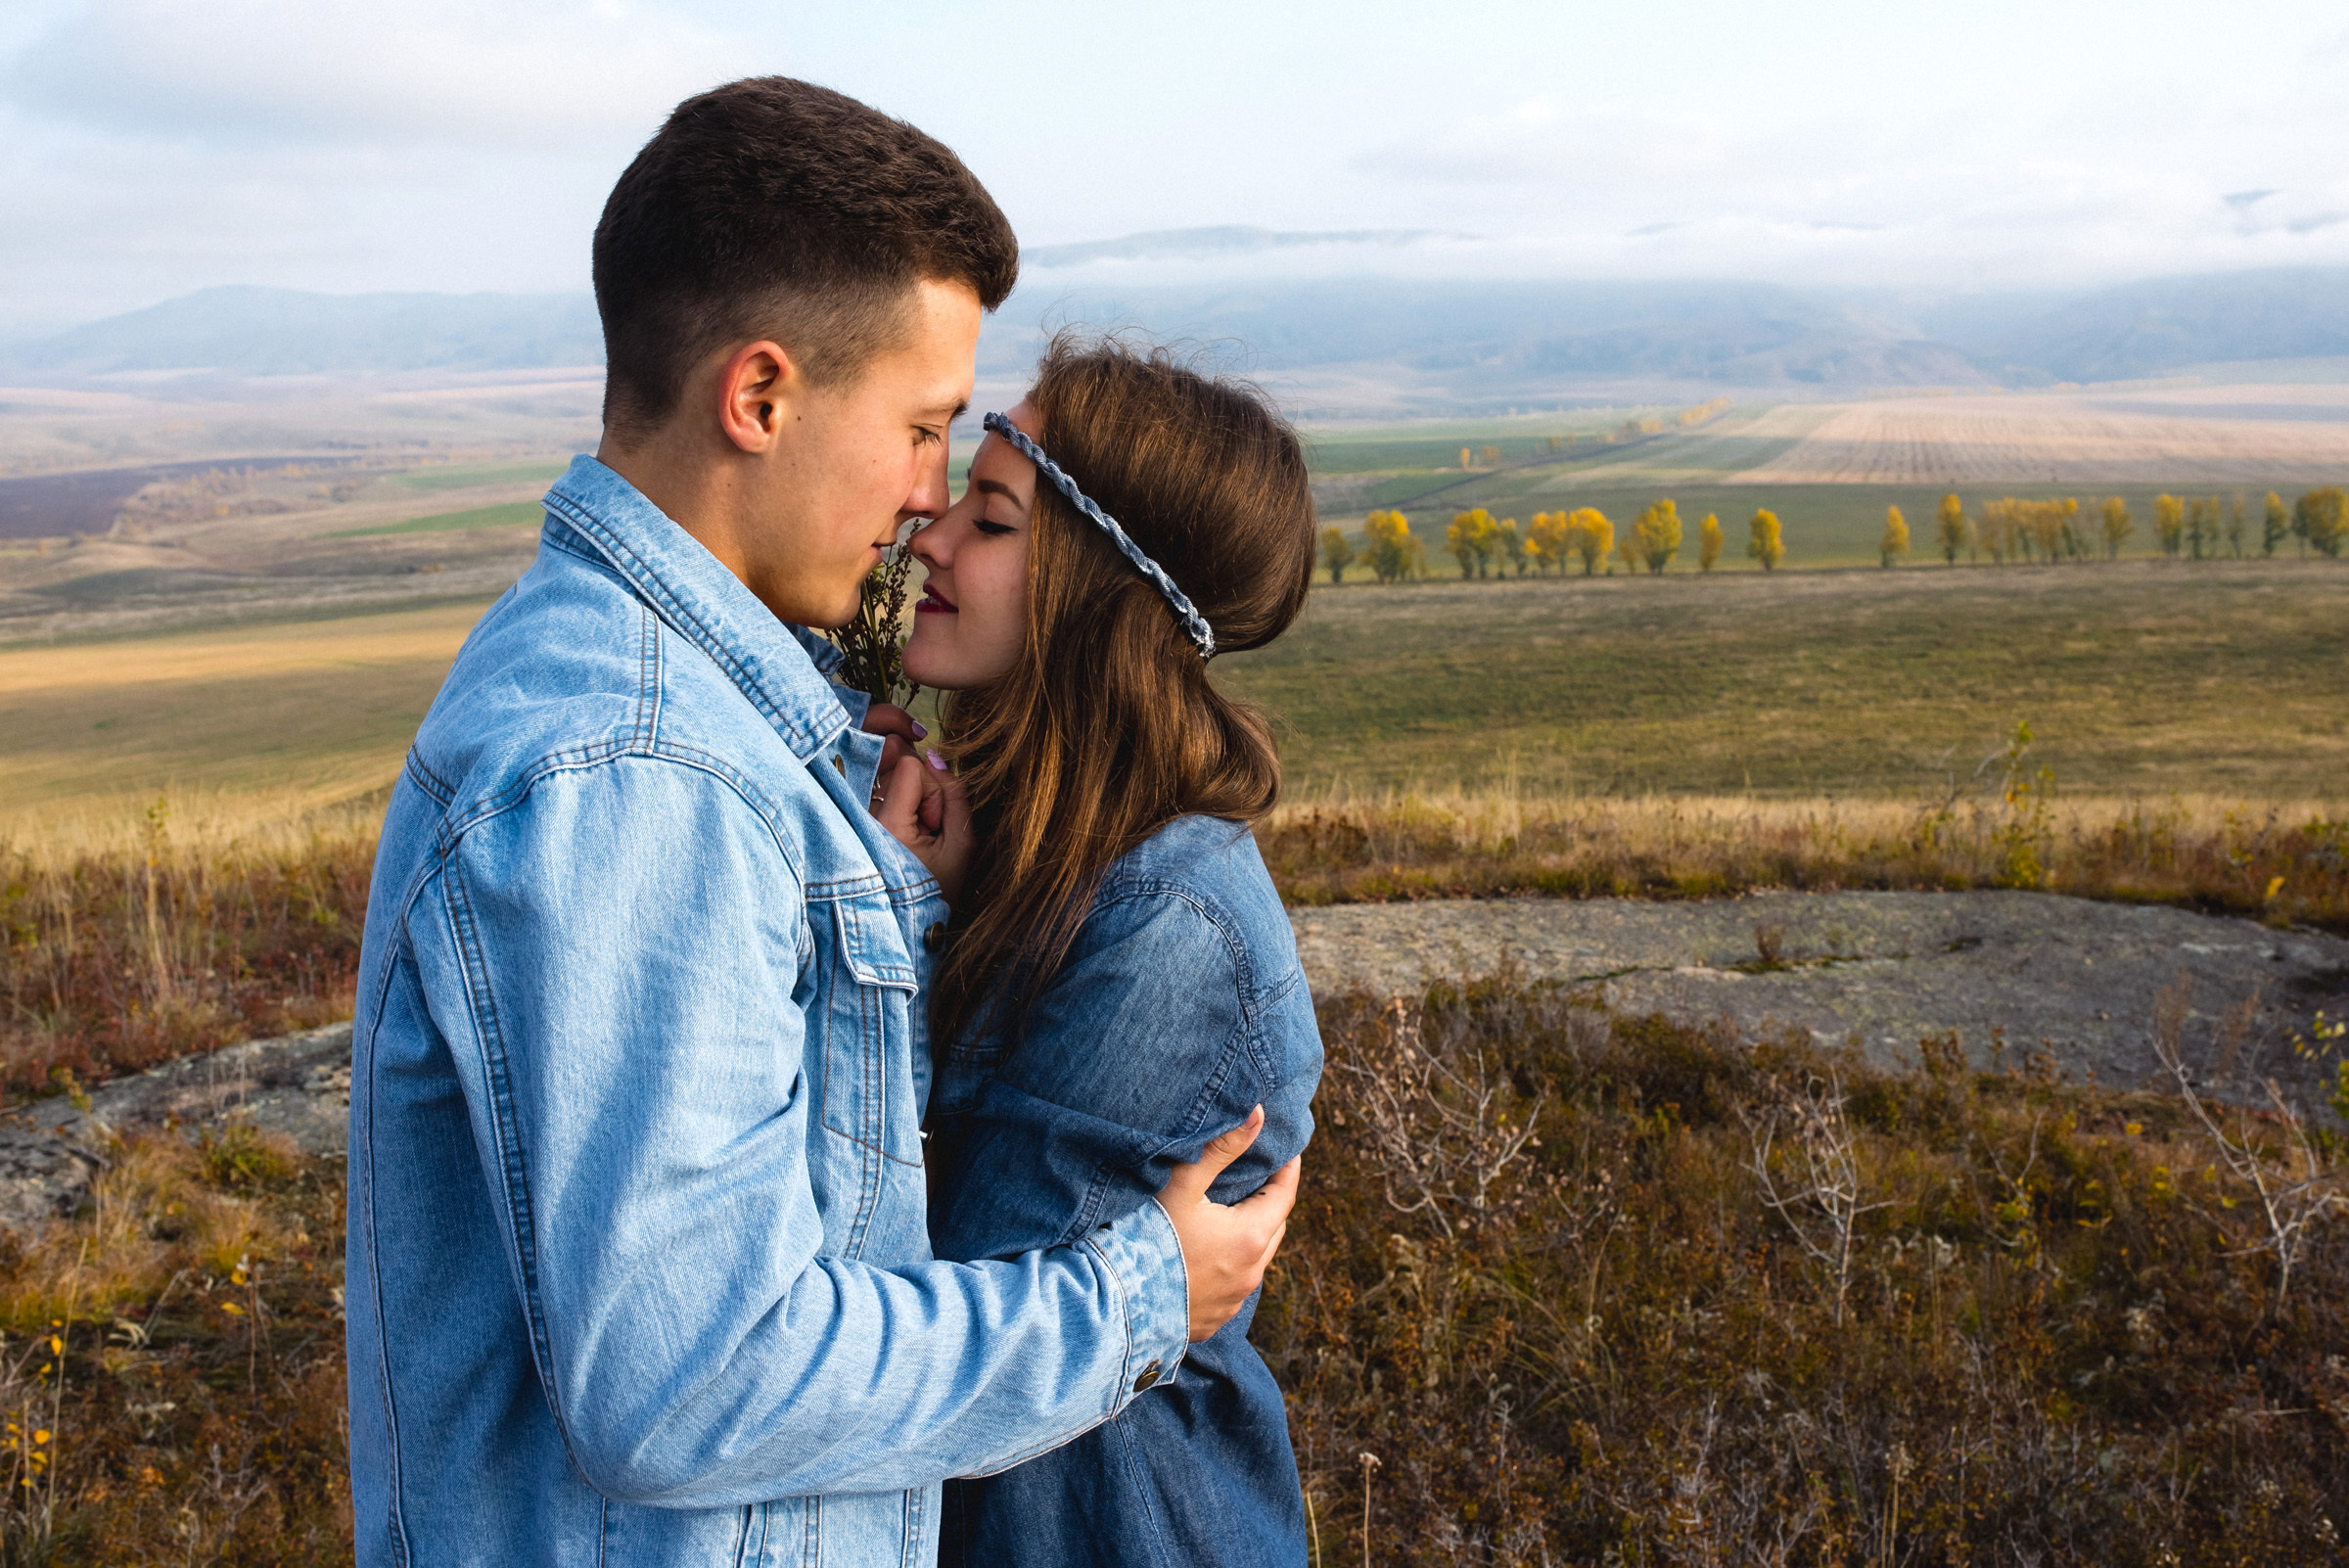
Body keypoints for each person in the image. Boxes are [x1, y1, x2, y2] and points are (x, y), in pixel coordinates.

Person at [344, 78, 1298, 1568]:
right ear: (761, 399)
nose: (926, 499)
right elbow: (691, 1379)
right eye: (922, 429)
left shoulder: (653, 717)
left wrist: (899, 924)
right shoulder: (648, 769)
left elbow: (798, 1231)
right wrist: (1136, 1300)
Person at [893, 338, 1322, 1566]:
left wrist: (906, 935)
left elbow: (950, 1320)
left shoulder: (1168, 928)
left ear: (1097, 587)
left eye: (992, 519)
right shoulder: (1018, 848)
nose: (930, 539)